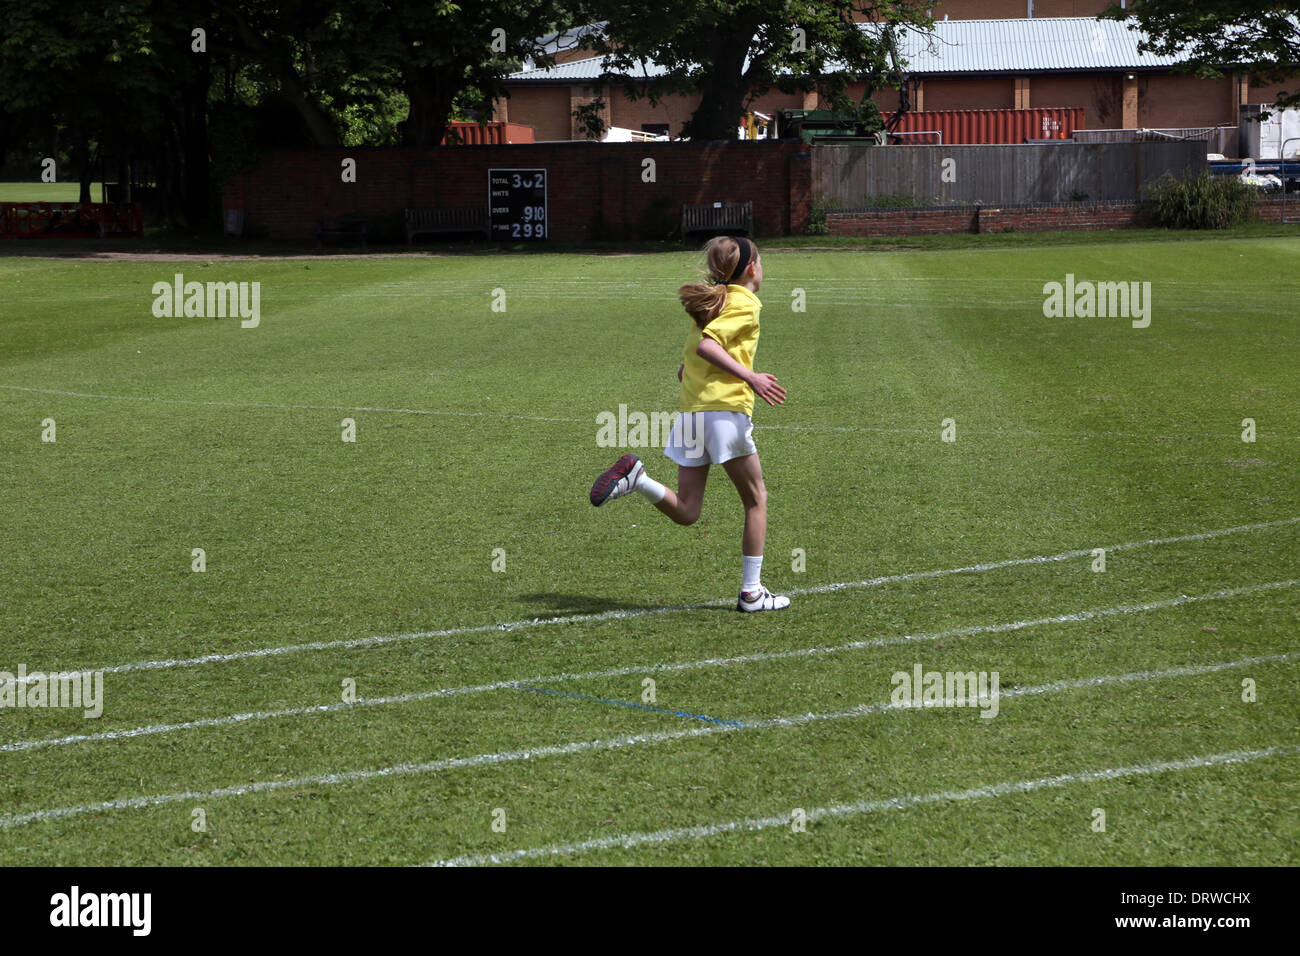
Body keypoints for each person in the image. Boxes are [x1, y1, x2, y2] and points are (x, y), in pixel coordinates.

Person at [589, 236, 790, 612]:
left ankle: (639, 479)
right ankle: (751, 593)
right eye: (760, 261)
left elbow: (686, 369)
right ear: (751, 268)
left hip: (692, 416)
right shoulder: (744, 303)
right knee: (756, 499)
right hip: (723, 415)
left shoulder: (714, 304)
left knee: (688, 510)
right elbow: (707, 348)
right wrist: (752, 378)